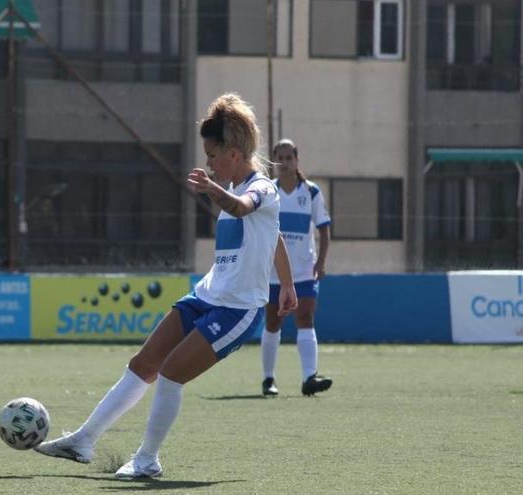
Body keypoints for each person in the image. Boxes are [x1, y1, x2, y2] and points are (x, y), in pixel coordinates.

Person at [33, 93, 298, 479]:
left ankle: (146, 460)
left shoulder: (263, 189)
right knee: (143, 364)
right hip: (204, 296)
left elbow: (244, 208)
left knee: (171, 373)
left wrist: (213, 190)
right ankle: (83, 440)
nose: (207, 162)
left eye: (212, 154)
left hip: (237, 310)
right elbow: (271, 236)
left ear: (235, 153)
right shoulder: (238, 190)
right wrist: (287, 284)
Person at [260, 138, 333, 397]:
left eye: (289, 157)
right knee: (273, 322)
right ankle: (268, 379)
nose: (285, 163)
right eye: (280, 158)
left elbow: (324, 230)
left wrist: (321, 262)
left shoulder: (311, 192)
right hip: (273, 272)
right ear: (273, 162)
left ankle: (308, 377)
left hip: (304, 271)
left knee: (305, 318)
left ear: (297, 160)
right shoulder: (268, 192)